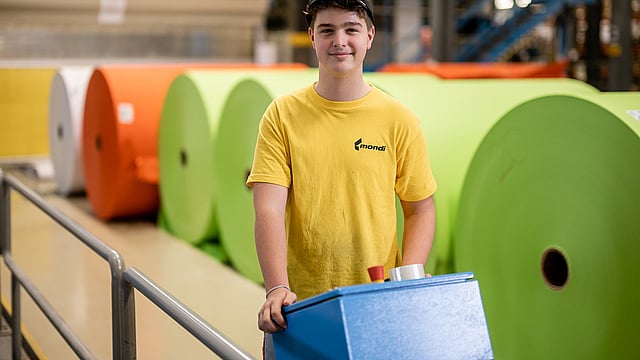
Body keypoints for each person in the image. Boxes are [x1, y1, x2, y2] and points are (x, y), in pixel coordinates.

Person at [246, 0, 437, 349]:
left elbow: (420, 208)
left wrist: (408, 281)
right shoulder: (282, 116)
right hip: (300, 307)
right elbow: (268, 208)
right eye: (327, 30)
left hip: (377, 306)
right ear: (312, 37)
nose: (340, 41)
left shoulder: (398, 119)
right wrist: (276, 288)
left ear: (369, 36)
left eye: (351, 29)